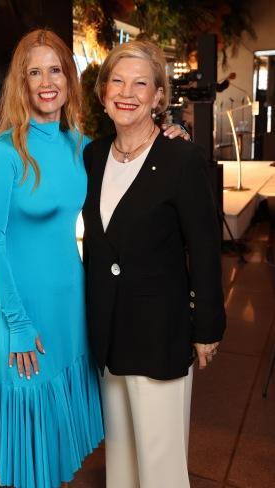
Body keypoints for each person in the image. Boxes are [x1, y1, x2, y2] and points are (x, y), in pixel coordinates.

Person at [82, 40, 226, 488]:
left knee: (161, 469)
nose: (128, 92)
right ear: (104, 93)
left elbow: (204, 248)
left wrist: (207, 328)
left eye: (141, 83)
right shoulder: (91, 156)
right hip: (109, 335)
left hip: (160, 334)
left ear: (158, 96)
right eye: (118, 82)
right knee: (121, 461)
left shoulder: (181, 158)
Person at [0, 29, 104, 488]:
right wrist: (19, 322)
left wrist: (174, 129)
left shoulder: (81, 146)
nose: (46, 81)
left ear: (69, 79)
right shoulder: (4, 153)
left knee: (59, 441)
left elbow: (135, 162)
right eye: (35, 72)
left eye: (55, 70)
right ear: (22, 83)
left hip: (71, 306)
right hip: (24, 312)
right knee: (33, 448)